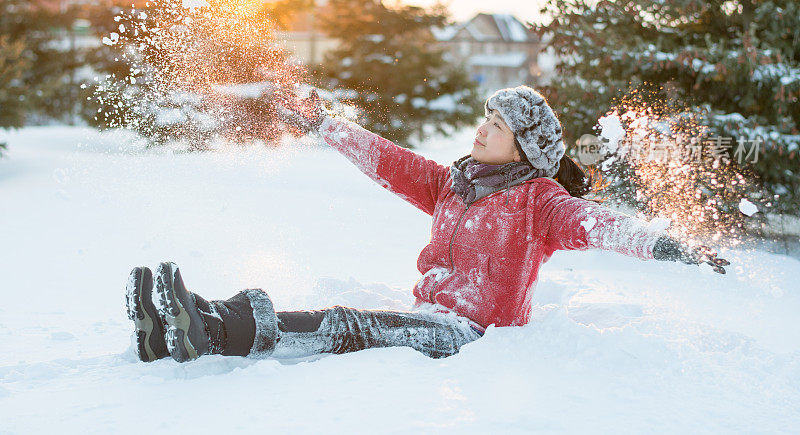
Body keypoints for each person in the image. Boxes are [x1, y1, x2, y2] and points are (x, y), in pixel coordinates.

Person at [126, 86, 729, 363]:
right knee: (353, 324)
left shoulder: (539, 201)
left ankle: (212, 329)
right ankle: (184, 326)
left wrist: (670, 247)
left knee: (349, 325)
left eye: (498, 124)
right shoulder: (453, 183)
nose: (482, 128)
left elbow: (595, 223)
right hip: (429, 316)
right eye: (485, 117)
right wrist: (325, 124)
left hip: (468, 334)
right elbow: (388, 160)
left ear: (523, 149)